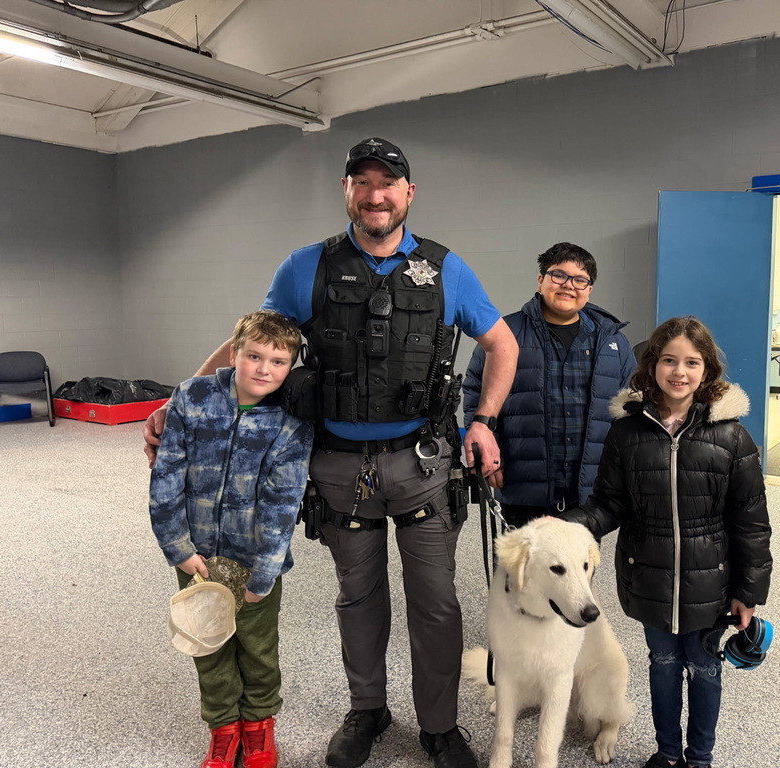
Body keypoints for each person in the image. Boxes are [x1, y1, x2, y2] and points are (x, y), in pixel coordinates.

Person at [145, 137, 517, 768]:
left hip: (423, 465)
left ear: (408, 193)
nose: (376, 195)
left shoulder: (447, 269)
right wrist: (181, 402)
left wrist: (483, 422)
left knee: (436, 602)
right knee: (358, 596)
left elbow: (502, 345)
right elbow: (249, 347)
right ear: (347, 190)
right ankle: (367, 710)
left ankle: (439, 725)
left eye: (388, 183)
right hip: (339, 466)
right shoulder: (304, 268)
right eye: (362, 182)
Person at [561, 315, 772, 768]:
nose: (680, 372)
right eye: (669, 360)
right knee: (662, 664)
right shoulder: (627, 432)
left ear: (707, 370)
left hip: (711, 582)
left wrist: (748, 591)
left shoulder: (731, 436)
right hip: (648, 576)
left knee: (703, 667)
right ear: (652, 365)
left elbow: (750, 520)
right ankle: (667, 752)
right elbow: (610, 503)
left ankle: (698, 758)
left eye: (692, 362)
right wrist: (566, 527)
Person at [150, 310, 314, 768]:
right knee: (208, 644)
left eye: (279, 362)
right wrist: (178, 549)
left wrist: (263, 574)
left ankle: (259, 729)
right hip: (198, 558)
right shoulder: (193, 397)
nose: (264, 369)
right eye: (254, 356)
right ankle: (223, 728)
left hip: (256, 561)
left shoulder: (292, 420)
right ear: (235, 352)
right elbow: (166, 477)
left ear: (291, 366)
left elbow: (284, 503)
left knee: (258, 649)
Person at [462, 242, 634, 527]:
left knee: (576, 572)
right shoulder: (505, 334)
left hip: (588, 493)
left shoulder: (612, 342)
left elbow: (630, 411)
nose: (569, 285)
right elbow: (474, 393)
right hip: (522, 485)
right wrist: (487, 455)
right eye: (559, 275)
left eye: (580, 280)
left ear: (589, 289)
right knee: (515, 571)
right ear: (541, 280)